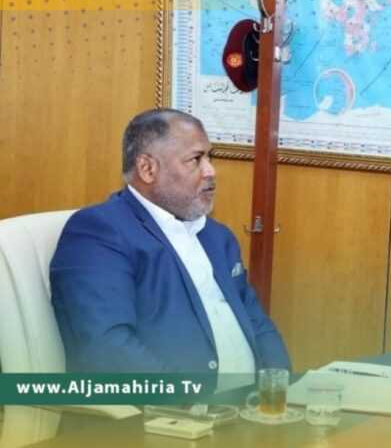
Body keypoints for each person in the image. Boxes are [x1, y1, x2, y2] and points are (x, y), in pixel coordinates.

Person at [50, 108, 289, 388]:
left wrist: (279, 389)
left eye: (209, 157)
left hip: (255, 405)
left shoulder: (217, 237)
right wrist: (190, 401)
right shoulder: (100, 232)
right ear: (148, 169)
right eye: (195, 159)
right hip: (173, 410)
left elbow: (257, 323)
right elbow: (108, 349)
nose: (210, 171)